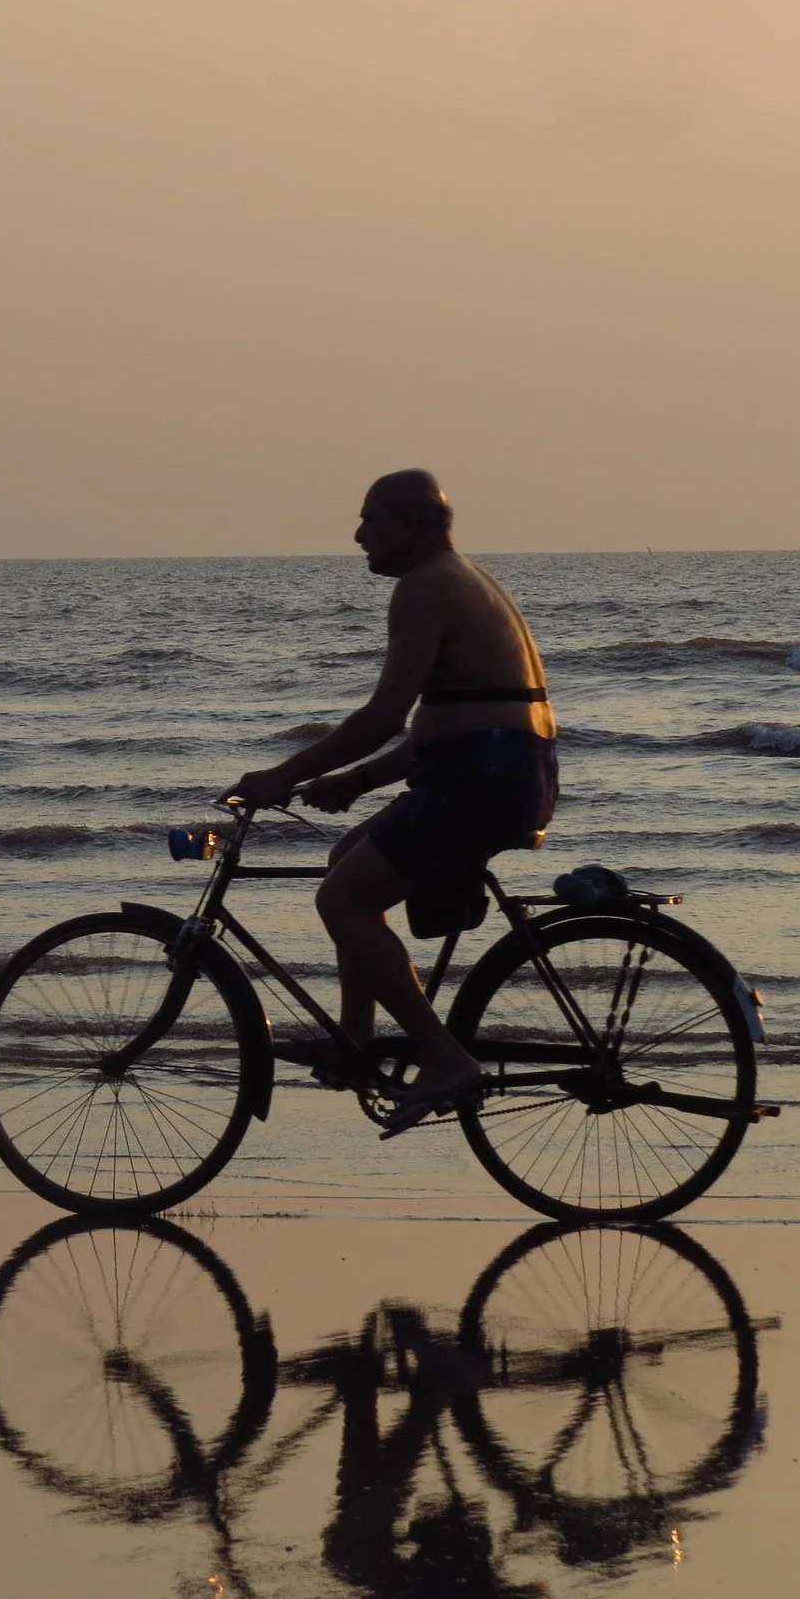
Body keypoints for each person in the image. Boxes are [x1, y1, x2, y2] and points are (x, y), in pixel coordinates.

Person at [230, 469, 558, 1134]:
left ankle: (444, 1058)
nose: (358, 536)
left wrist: (282, 772)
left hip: (485, 776)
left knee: (341, 900)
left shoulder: (423, 587)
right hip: (495, 768)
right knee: (345, 860)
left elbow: (386, 715)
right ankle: (357, 1043)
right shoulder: (459, 577)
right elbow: (448, 723)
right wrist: (356, 782)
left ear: (407, 525)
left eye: (369, 520)